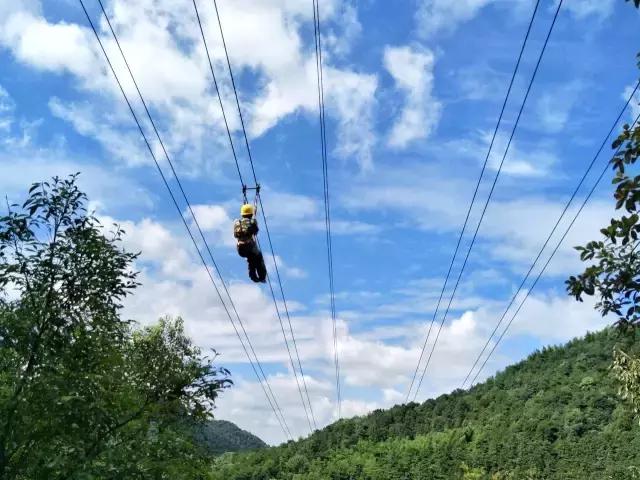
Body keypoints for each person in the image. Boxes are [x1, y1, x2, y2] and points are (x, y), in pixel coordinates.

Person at [234, 204, 267, 283]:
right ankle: (262, 277)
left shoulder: (237, 222)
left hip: (240, 248)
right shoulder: (252, 221)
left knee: (251, 260)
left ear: (242, 214)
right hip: (249, 246)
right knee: (258, 258)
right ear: (251, 214)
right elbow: (255, 232)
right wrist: (253, 223)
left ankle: (253, 277)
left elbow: (235, 235)